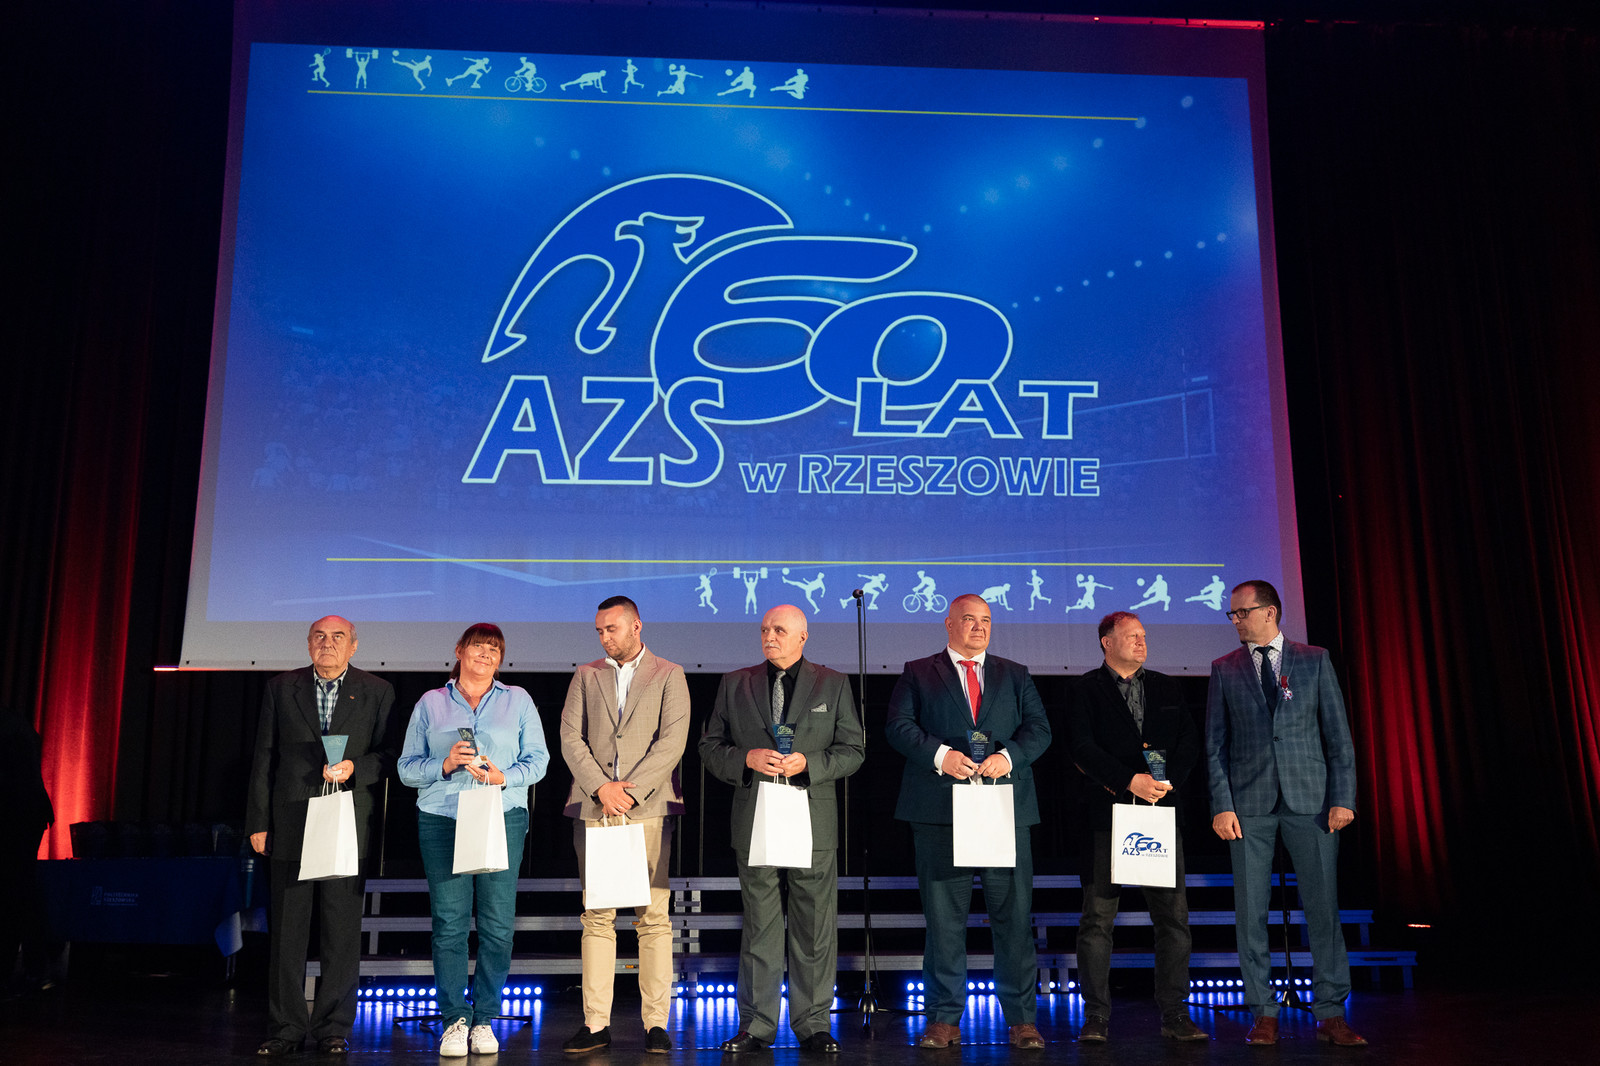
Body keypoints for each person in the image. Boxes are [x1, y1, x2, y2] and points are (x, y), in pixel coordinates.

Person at [885, 594, 1052, 1050]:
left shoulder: (1015, 674)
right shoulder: (918, 671)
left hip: (1004, 809)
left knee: (1013, 919)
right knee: (944, 922)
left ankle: (1022, 1019)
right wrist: (941, 755)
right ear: (949, 624)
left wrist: (1008, 756)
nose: (979, 628)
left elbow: (1039, 729)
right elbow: (898, 726)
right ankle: (943, 1019)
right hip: (940, 812)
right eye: (969, 620)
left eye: (986, 621)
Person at [1205, 580, 1367, 1047]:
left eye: (1242, 612)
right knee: (1250, 913)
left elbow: (1338, 737)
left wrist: (1343, 797)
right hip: (1248, 805)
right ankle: (1263, 1012)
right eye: (1232, 614)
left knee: (1323, 910)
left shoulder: (1314, 660)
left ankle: (1331, 1012)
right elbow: (1215, 745)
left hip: (1311, 800)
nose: (1236, 620)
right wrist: (1222, 804)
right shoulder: (1224, 668)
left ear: (1270, 612)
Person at [698, 604, 864, 1053]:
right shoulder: (736, 683)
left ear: (803, 637)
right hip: (757, 816)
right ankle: (756, 1025)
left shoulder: (833, 683)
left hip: (812, 818)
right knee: (760, 926)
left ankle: (813, 1024)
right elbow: (710, 747)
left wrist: (811, 763)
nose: (769, 636)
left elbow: (853, 749)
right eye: (764, 629)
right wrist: (746, 759)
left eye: (779, 630)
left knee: (814, 926)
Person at [246, 616, 397, 1056]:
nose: (327, 644)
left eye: (337, 637)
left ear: (354, 646)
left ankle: (333, 1027)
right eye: (319, 637)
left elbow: (389, 754)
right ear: (308, 643)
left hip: (347, 820)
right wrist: (258, 821)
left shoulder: (377, 690)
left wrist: (355, 769)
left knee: (341, 930)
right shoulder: (281, 688)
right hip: (291, 820)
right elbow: (264, 757)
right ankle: (285, 1027)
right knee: (287, 933)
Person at [398, 624, 550, 1057]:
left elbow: (538, 759)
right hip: (442, 818)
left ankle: (484, 1018)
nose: (485, 654)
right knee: (449, 923)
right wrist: (444, 765)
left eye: (494, 649)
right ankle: (454, 1020)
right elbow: (407, 768)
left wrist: (505, 777)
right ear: (459, 651)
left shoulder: (517, 699)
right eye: (478, 646)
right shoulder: (431, 702)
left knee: (497, 924)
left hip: (501, 816)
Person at [1065, 612, 1206, 1043]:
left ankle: (1175, 1013)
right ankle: (1096, 1015)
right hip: (1107, 816)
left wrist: (1167, 782)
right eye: (1131, 636)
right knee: (1097, 920)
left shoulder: (1167, 686)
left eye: (1144, 635)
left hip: (1160, 813)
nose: (1141, 642)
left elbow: (1189, 741)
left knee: (1173, 920)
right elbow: (1080, 746)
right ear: (1107, 642)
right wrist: (1128, 780)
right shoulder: (1084, 689)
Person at [559, 597, 691, 1054]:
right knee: (597, 915)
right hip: (596, 806)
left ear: (636, 626)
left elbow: (672, 741)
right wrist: (601, 788)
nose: (603, 637)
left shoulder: (669, 673)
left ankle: (656, 1023)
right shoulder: (586, 674)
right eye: (599, 630)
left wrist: (630, 793)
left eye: (611, 629)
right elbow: (570, 737)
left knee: (652, 916)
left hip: (647, 808)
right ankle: (595, 1023)